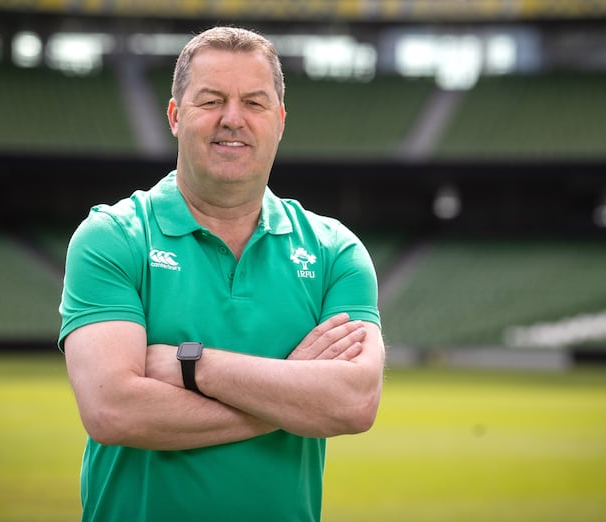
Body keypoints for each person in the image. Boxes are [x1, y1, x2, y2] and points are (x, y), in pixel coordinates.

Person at [58, 26, 385, 522]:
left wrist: (194, 366)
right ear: (174, 115)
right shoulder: (113, 238)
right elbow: (112, 410)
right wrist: (293, 396)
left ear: (279, 120)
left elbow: (354, 403)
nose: (232, 119)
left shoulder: (335, 251)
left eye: (254, 103)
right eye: (211, 100)